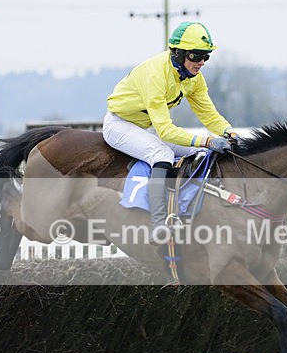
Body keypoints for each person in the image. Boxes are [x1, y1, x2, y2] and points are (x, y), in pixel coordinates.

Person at [102, 21, 239, 245]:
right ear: (179, 53)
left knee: (200, 152)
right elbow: (165, 131)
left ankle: (183, 208)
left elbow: (208, 114)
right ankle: (158, 225)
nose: (201, 62)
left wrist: (228, 132)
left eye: (206, 56)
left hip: (146, 127)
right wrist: (207, 140)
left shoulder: (194, 78)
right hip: (120, 125)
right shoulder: (156, 74)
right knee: (162, 155)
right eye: (196, 56)